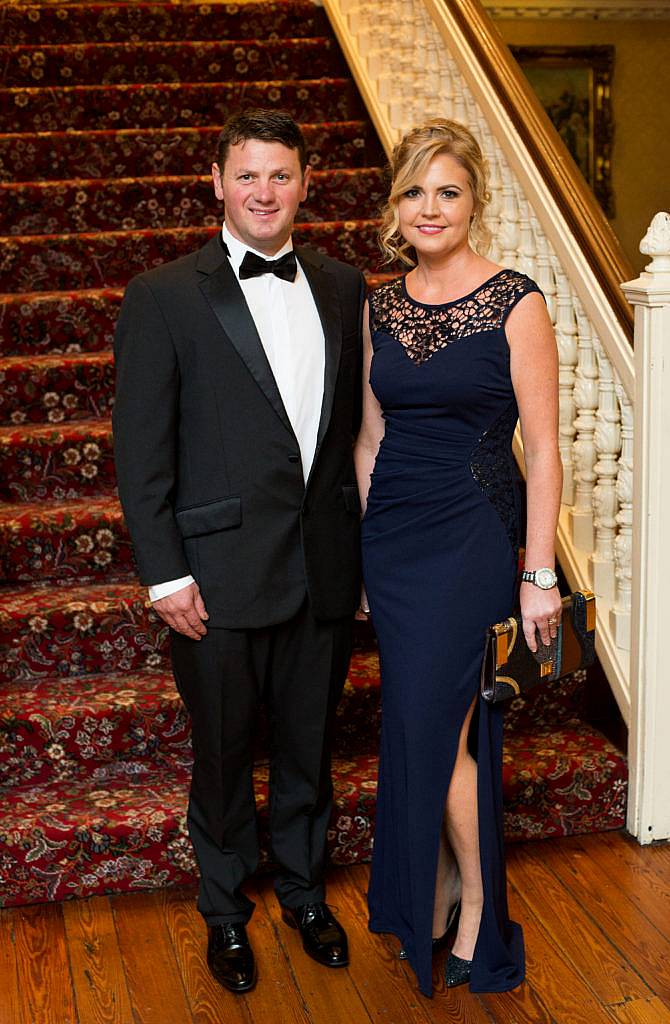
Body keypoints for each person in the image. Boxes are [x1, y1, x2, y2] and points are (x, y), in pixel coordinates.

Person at [113, 109, 366, 995]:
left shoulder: (343, 284)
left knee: (308, 747)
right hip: (212, 578)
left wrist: (360, 555)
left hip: (323, 567)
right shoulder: (164, 294)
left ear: (306, 184)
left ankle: (303, 892)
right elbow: (142, 450)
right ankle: (226, 912)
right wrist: (164, 572)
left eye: (281, 175)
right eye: (246, 175)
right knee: (222, 755)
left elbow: (350, 437)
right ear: (217, 183)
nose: (264, 192)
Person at [354, 119, 561, 997]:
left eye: (449, 191)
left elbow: (546, 451)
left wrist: (539, 572)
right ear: (395, 207)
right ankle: (437, 889)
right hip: (395, 541)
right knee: (419, 726)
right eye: (414, 192)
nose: (430, 208)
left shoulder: (517, 300)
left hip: (472, 532)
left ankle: (479, 907)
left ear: (476, 202)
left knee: (437, 738)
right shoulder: (380, 302)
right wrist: (367, 559)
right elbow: (369, 438)